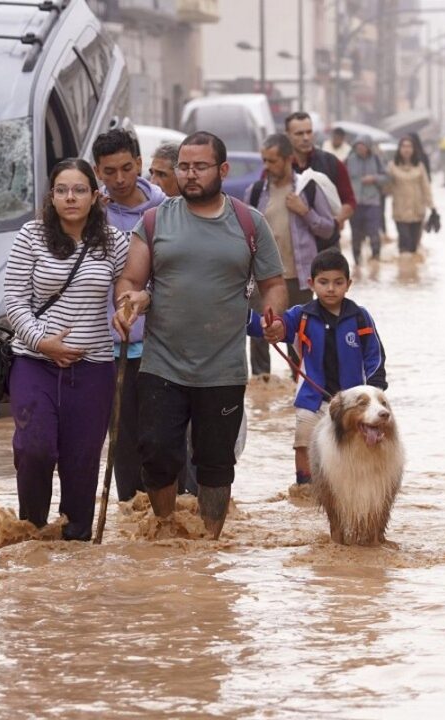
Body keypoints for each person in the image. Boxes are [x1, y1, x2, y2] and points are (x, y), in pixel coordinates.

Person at [113, 131, 289, 539]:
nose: (190, 175)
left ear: (222, 170)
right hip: (162, 364)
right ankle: (165, 528)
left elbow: (274, 284)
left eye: (200, 167)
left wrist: (273, 316)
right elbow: (131, 280)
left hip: (223, 368)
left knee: (215, 463)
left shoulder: (249, 222)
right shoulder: (156, 221)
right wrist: (130, 302)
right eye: (184, 167)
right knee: (156, 454)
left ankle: (210, 542)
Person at [3, 159, 130, 540]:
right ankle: (33, 532)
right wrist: (42, 341)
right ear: (52, 196)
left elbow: (132, 286)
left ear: (95, 196)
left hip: (93, 370)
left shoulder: (114, 241)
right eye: (61, 190)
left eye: (78, 190)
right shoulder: (31, 235)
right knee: (34, 448)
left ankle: (76, 544)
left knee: (82, 462)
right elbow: (13, 300)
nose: (70, 197)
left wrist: (127, 308)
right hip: (33, 362)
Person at [255, 249, 387, 497]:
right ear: (310, 284)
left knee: (355, 446)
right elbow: (281, 327)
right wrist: (271, 325)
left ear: (349, 284)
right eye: (323, 282)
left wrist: (376, 387)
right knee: (303, 443)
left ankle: (352, 492)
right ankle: (305, 490)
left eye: (338, 282)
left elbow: (375, 355)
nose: (331, 289)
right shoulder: (301, 315)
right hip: (312, 399)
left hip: (352, 404)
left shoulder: (360, 317)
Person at [92, 129, 167, 504]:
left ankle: (166, 513)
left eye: (126, 168)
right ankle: (131, 515)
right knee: (121, 441)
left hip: (161, 346)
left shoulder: (165, 211)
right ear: (97, 171)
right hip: (109, 348)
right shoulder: (91, 214)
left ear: (139, 164)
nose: (119, 179)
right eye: (109, 171)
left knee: (162, 439)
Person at [246, 132, 334, 378]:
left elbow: (328, 228)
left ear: (288, 159)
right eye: (264, 160)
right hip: (263, 278)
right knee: (259, 335)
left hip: (299, 277)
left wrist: (304, 211)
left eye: (272, 161)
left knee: (300, 337)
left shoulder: (308, 189)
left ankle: (301, 385)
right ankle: (262, 387)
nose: (267, 166)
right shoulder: (254, 192)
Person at [284, 112, 355, 250]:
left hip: (327, 245)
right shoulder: (280, 167)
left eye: (309, 132)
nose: (306, 138)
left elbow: (349, 201)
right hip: (292, 247)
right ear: (288, 135)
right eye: (299, 134)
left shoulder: (331, 163)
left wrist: (336, 221)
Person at [388, 135, 434, 262]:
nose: (406, 149)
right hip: (400, 212)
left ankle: (412, 277)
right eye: (403, 146)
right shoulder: (392, 167)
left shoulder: (420, 166)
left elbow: (426, 188)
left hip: (417, 211)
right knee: (404, 245)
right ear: (399, 149)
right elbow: (386, 189)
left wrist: (433, 208)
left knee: (414, 247)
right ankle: (403, 277)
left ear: (414, 149)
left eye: (409, 146)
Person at [345, 138, 387, 266]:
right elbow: (341, 177)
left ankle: (375, 260)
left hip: (372, 202)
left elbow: (387, 177)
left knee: (374, 232)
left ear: (368, 147)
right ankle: (357, 263)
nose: (360, 148)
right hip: (355, 202)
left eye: (363, 146)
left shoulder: (376, 159)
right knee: (356, 234)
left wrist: (374, 178)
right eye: (358, 146)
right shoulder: (349, 160)